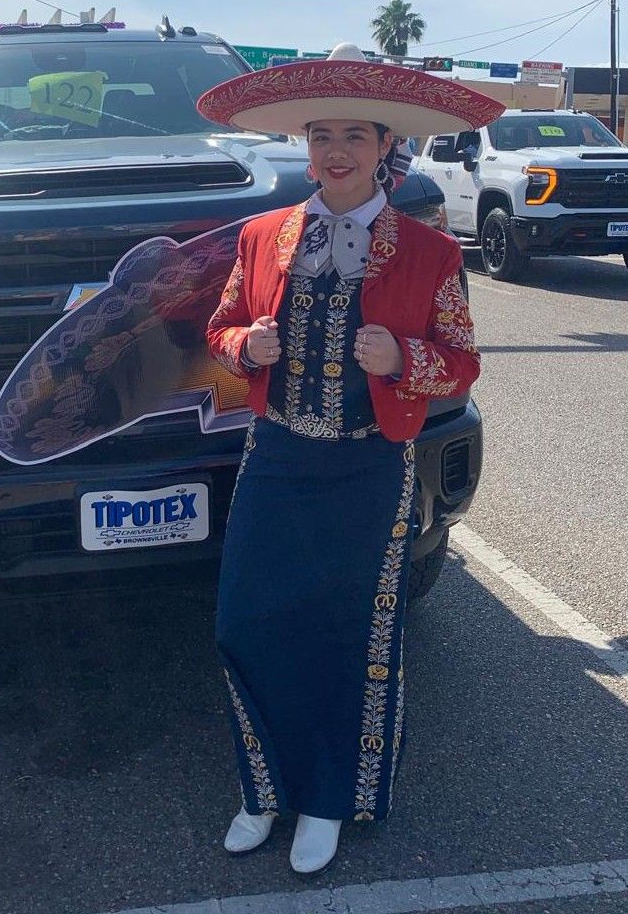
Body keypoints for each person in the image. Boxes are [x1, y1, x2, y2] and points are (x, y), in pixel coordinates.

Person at [197, 44, 504, 874]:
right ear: (305, 146)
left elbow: (462, 360)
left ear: (383, 149)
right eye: (321, 134)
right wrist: (244, 344)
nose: (335, 150)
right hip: (277, 460)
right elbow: (218, 331)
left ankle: (330, 799)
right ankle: (262, 790)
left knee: (349, 636)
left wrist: (403, 360)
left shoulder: (431, 254)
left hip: (369, 470)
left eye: (353, 137)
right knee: (247, 623)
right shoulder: (262, 237)